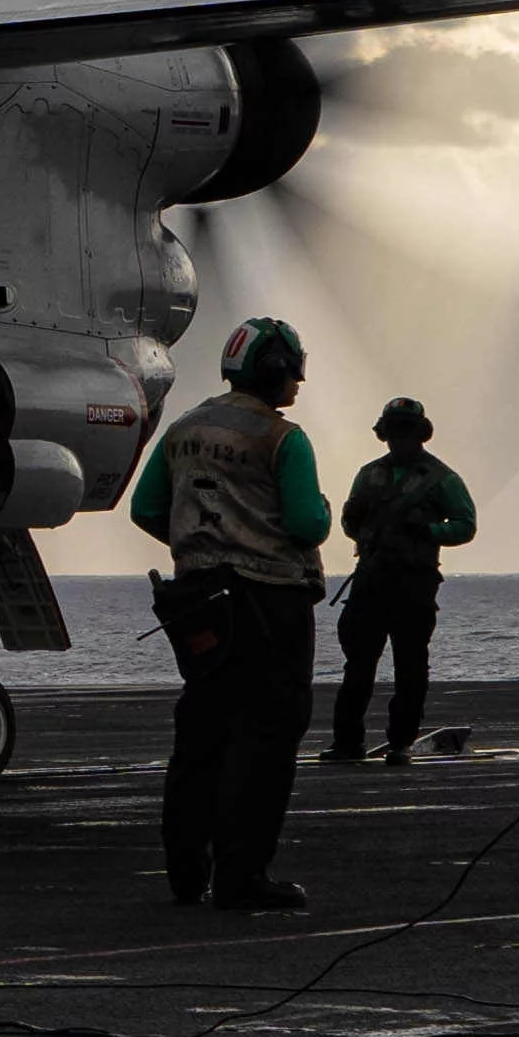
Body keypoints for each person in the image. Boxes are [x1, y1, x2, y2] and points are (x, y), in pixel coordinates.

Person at [127, 315, 321, 910]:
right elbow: (306, 523)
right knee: (265, 740)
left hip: (199, 602)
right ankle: (242, 877)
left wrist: (198, 545)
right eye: (292, 372)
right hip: (269, 601)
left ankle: (187, 871)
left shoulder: (184, 429)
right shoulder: (282, 439)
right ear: (274, 370)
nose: (297, 384)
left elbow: (145, 509)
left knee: (202, 734)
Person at [332, 398, 480, 762]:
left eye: (406, 430)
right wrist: (354, 520)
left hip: (413, 584)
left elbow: (465, 525)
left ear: (420, 433)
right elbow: (352, 525)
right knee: (358, 667)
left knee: (410, 668)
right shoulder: (368, 475)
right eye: (394, 430)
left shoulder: (441, 479)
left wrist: (428, 530)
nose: (399, 438)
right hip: (371, 581)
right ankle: (347, 742)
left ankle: (400, 742)